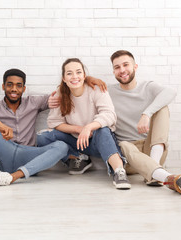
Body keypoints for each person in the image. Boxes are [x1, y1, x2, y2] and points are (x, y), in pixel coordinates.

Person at [0, 68, 106, 187]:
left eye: (18, 85)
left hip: (27, 155)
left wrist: (86, 79)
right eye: (9, 85)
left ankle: (11, 178)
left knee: (61, 146)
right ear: (3, 86)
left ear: (24, 88)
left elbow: (66, 91)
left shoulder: (33, 102)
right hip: (3, 151)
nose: (14, 89)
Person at [37, 58, 131, 190]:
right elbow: (54, 122)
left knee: (103, 129)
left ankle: (119, 172)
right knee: (42, 136)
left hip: (97, 140)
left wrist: (88, 127)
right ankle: (78, 157)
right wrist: (78, 129)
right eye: (69, 73)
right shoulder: (60, 94)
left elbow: (109, 115)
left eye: (78, 72)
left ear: (84, 76)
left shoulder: (96, 89)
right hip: (75, 141)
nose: (74, 76)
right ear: (64, 78)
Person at [106, 50, 181, 194]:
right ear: (113, 71)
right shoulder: (108, 91)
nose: (122, 70)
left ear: (135, 67)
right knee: (123, 144)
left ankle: (154, 168)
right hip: (129, 158)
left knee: (162, 107)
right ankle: (165, 177)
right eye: (117, 67)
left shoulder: (147, 87)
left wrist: (147, 114)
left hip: (151, 149)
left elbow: (171, 92)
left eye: (126, 65)